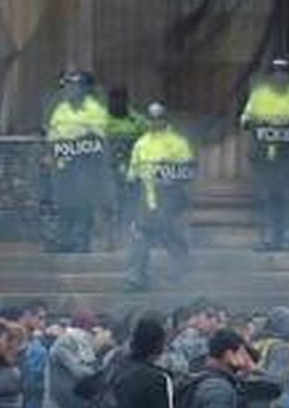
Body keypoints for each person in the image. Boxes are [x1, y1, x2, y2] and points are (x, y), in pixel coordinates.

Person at [124, 102, 195, 291]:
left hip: (170, 198)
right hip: (146, 198)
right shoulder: (141, 143)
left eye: (159, 118)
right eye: (152, 119)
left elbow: (188, 172)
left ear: (165, 119)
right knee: (140, 238)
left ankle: (184, 270)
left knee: (170, 235)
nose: (156, 122)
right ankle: (136, 278)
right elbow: (133, 174)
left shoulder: (179, 143)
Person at [241, 58, 289, 251]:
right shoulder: (259, 95)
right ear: (270, 76)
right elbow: (246, 118)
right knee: (270, 196)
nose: (280, 76)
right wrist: (253, 123)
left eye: (284, 73)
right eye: (276, 73)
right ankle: (272, 239)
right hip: (265, 155)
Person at [45, 71, 111, 253]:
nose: (71, 90)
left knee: (83, 203)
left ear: (85, 89)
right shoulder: (61, 109)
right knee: (63, 202)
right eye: (69, 86)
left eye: (75, 86)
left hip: (85, 165)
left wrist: (72, 148)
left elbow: (98, 141)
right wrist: (51, 154)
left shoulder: (94, 111)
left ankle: (81, 242)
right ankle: (63, 241)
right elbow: (53, 135)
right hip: (63, 166)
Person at [103, 87, 147, 250]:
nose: (116, 103)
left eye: (120, 99)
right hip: (108, 171)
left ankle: (128, 239)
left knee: (130, 205)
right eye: (113, 100)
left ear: (126, 101)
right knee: (110, 205)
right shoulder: (101, 120)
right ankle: (110, 239)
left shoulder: (138, 121)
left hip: (132, 171)